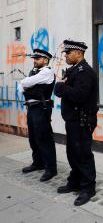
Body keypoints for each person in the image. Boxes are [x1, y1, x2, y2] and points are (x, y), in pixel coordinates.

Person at [54, 39, 98, 206]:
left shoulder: (84, 71)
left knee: (83, 154)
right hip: (73, 119)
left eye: (68, 52)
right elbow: (63, 92)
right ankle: (75, 181)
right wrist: (61, 88)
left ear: (78, 53)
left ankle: (88, 187)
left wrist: (60, 87)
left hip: (82, 120)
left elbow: (80, 95)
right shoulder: (74, 71)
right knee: (73, 153)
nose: (66, 55)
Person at [18, 48, 57, 182]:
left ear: (45, 60)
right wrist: (28, 87)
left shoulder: (47, 72)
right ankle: (38, 163)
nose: (35, 61)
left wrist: (26, 85)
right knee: (33, 137)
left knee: (44, 138)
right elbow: (25, 89)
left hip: (42, 108)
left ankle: (51, 168)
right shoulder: (34, 73)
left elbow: (24, 84)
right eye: (34, 58)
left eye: (38, 58)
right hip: (32, 107)